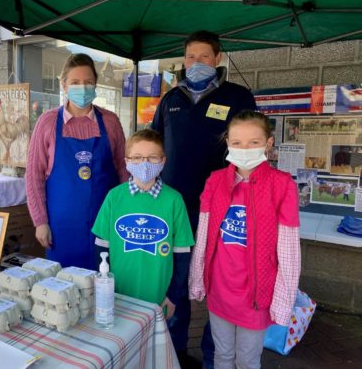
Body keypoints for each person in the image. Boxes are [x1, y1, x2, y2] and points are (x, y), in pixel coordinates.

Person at [151, 30, 257, 366]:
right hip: (174, 208)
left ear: (218, 59)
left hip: (221, 207)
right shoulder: (170, 100)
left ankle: (215, 355)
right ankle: (177, 351)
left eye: (204, 57)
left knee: (219, 284)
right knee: (176, 280)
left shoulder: (238, 97)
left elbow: (251, 145)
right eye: (191, 57)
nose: (197, 63)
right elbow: (153, 146)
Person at [189, 110, 301, 369]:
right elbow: (203, 237)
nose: (245, 148)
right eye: (237, 142)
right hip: (221, 290)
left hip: (256, 296)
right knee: (223, 355)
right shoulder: (215, 181)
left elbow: (288, 251)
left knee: (248, 360)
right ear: (227, 142)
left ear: (268, 143)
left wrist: (283, 303)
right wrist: (197, 281)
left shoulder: (281, 185)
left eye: (254, 142)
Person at [26, 53, 128, 270]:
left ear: (96, 85)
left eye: (88, 82)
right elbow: (34, 176)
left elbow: (123, 170)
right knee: (63, 293)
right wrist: (40, 222)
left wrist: (125, 214)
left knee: (106, 287)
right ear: (64, 85)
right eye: (75, 82)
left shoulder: (110, 122)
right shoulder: (47, 122)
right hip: (61, 230)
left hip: (105, 225)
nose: (82, 88)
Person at [92, 129, 194, 320]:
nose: (145, 164)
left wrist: (173, 295)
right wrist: (105, 288)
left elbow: (182, 254)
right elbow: (101, 247)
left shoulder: (174, 200)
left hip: (159, 298)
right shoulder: (114, 197)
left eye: (152, 157)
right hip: (120, 295)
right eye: (137, 157)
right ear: (127, 161)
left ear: (163, 161)